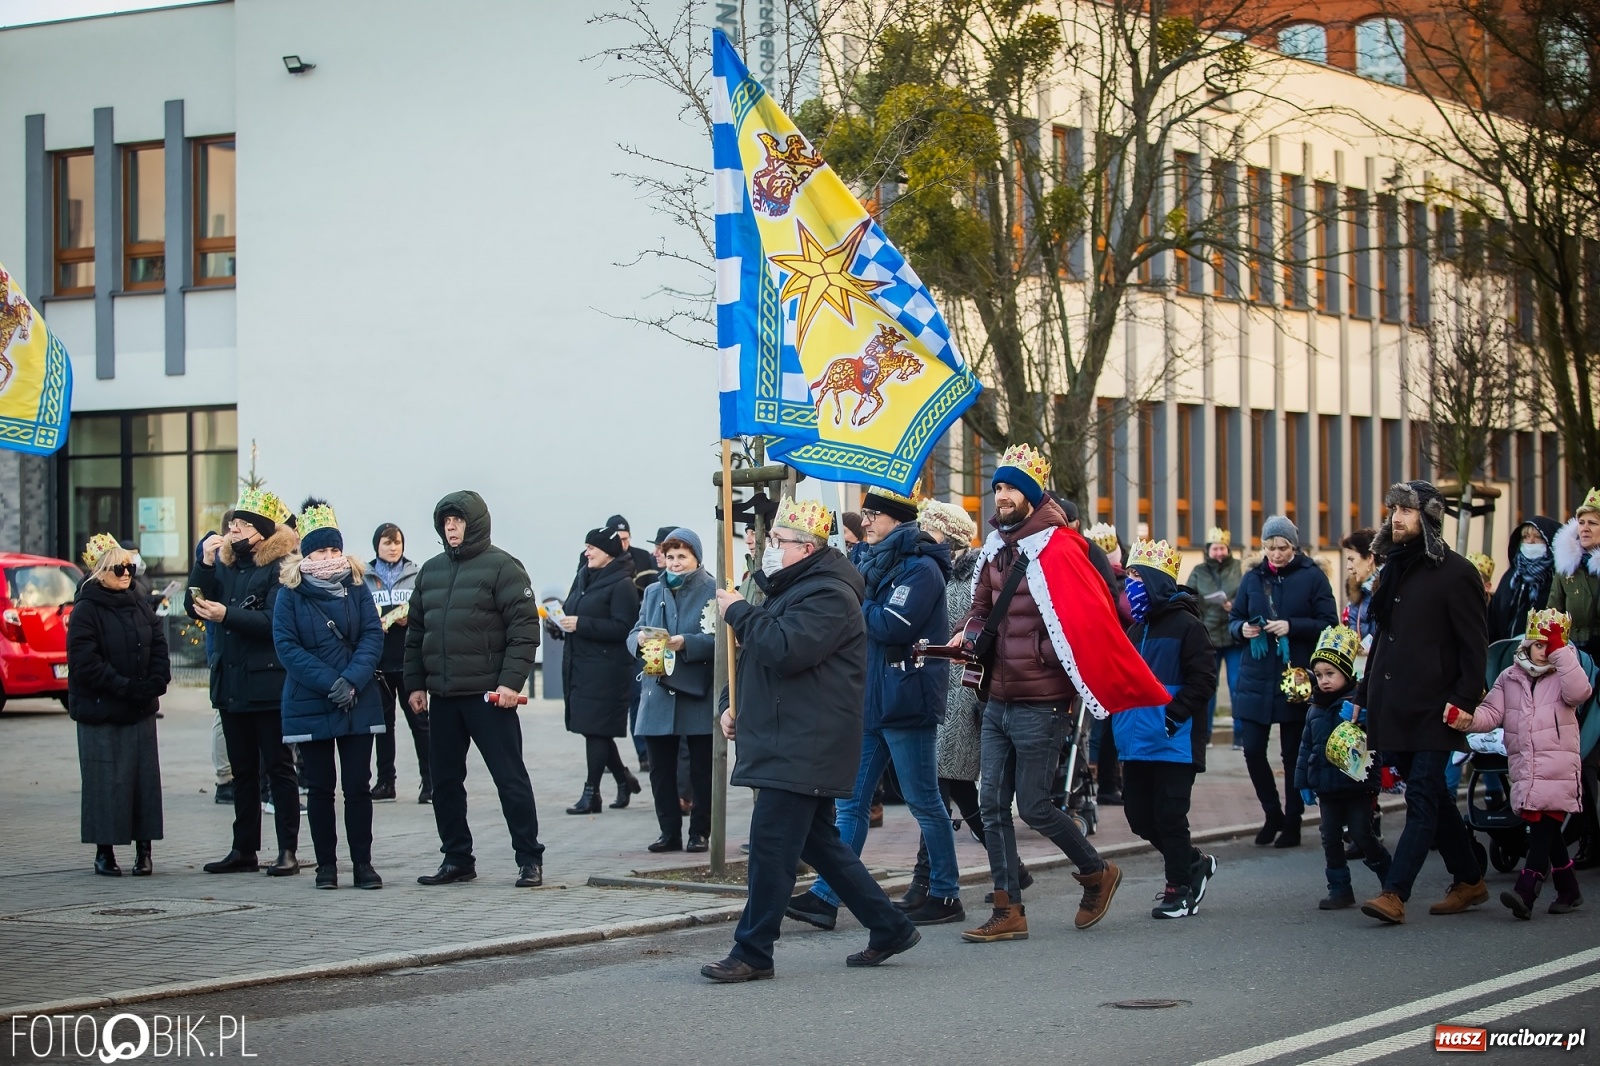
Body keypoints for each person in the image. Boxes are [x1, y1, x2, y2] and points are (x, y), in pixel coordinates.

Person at [700, 496, 921, 982]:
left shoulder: (829, 595)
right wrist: (731, 706)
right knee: (821, 845)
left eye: (779, 541)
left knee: (771, 849)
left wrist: (740, 612)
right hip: (789, 737)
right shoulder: (792, 588)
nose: (770, 548)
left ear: (806, 547)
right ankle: (889, 926)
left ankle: (753, 951)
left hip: (805, 743)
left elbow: (786, 648)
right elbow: (755, 661)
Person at [956, 445, 1169, 944]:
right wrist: (966, 636)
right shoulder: (994, 548)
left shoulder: (1062, 548)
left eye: (1011, 488)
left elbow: (1094, 617)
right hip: (996, 697)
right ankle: (1008, 909)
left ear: (1032, 494)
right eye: (998, 487)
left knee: (1033, 805)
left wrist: (1043, 652)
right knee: (991, 806)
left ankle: (1097, 872)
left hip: (1041, 700)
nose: (1002, 496)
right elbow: (980, 610)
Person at [787, 486, 965, 930]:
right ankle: (826, 897)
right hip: (869, 700)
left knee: (924, 802)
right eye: (864, 513)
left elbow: (890, 624)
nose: (864, 521)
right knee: (850, 806)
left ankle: (945, 893)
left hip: (906, 699)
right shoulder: (866, 561)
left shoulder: (922, 567)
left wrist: (852, 599)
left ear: (897, 519)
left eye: (872, 514)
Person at [1354, 481, 1490, 925]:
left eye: (1407, 511)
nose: (1396, 518)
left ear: (1428, 518)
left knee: (1422, 798)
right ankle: (1469, 879)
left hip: (1437, 707)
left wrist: (1465, 698)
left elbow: (1475, 645)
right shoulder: (1394, 566)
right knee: (1431, 794)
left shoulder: (1457, 573)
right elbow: (1383, 640)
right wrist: (1363, 694)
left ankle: (1394, 892)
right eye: (1393, 510)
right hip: (1396, 704)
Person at [406, 491, 545, 889]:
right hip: (443, 697)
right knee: (445, 782)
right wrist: (415, 685)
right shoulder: (430, 572)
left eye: (459, 521)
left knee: (509, 778)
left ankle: (529, 858)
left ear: (476, 523)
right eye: (446, 522)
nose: (451, 528)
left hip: (489, 697)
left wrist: (510, 682)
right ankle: (457, 859)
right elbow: (416, 633)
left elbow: (524, 629)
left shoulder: (503, 567)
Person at [899, 500, 1022, 909]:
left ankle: (925, 882)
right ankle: (1012, 868)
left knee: (937, 787)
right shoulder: (929, 570)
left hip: (965, 692)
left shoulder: (973, 576)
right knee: (959, 789)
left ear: (949, 536)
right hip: (938, 690)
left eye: (930, 529)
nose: (922, 535)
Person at [1445, 608, 1591, 918]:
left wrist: (1561, 652)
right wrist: (1467, 720)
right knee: (1545, 829)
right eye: (1538, 645)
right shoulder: (1509, 677)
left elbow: (1580, 692)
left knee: (1542, 828)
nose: (1543, 652)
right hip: (1526, 766)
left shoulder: (1565, 673)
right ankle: (1569, 889)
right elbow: (1492, 713)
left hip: (1557, 768)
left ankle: (1526, 891)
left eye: (1549, 646)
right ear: (1527, 645)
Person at [187, 489, 302, 876]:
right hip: (231, 683)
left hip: (267, 685)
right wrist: (203, 565)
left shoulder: (280, 567)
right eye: (233, 524)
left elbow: (273, 622)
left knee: (279, 769)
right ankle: (244, 849)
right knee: (243, 771)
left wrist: (227, 615)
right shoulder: (223, 563)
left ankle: (287, 850)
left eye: (241, 525)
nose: (232, 530)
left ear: (260, 531)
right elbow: (194, 604)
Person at [274, 501, 386, 890]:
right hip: (312, 700)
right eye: (321, 550)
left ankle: (363, 864)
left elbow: (372, 636)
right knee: (320, 788)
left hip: (358, 697)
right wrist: (330, 683)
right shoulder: (290, 593)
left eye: (334, 549)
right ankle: (326, 866)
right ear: (307, 553)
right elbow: (287, 647)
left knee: (358, 787)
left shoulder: (357, 586)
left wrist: (351, 680)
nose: (329, 556)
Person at [1116, 540, 1220, 919]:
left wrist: (1173, 715)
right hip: (1136, 742)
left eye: (1137, 576)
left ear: (1156, 581)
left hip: (1175, 742)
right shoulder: (1133, 630)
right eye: (1128, 576)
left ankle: (1180, 888)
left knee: (1170, 816)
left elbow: (1204, 680)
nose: (1130, 585)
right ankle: (1192, 862)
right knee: (1139, 817)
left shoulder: (1188, 626)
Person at [1228, 515, 1338, 849]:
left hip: (1296, 677)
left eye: (1282, 547)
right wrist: (1241, 629)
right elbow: (1234, 619)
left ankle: (1293, 821)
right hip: (1256, 675)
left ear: (1294, 546)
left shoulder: (1313, 577)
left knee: (1293, 755)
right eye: (1270, 547)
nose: (1276, 554)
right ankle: (1272, 813)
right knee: (1252, 750)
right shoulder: (1252, 578)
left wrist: (1292, 626)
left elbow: (1328, 623)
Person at [68, 534, 169, 877]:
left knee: (144, 781)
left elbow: (158, 643)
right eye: (118, 569)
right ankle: (104, 851)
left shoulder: (138, 602)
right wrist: (125, 687)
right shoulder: (86, 609)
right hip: (102, 711)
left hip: (139, 708)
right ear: (100, 572)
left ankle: (144, 851)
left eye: (130, 568)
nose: (127, 574)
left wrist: (157, 680)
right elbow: (85, 662)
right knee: (105, 781)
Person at [626, 527, 715, 851]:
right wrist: (637, 641)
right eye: (670, 556)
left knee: (701, 769)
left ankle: (700, 832)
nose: (675, 563)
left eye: (682, 556)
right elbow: (635, 630)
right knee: (660, 769)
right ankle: (669, 832)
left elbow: (721, 640)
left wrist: (686, 642)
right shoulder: (653, 591)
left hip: (697, 690)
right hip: (658, 688)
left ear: (696, 558)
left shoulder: (712, 589)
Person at [1294, 625, 1391, 910]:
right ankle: (1339, 888)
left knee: (1361, 833)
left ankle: (1390, 879)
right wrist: (1303, 782)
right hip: (1326, 785)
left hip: (1356, 783)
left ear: (1347, 673)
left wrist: (1365, 720)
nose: (1324, 681)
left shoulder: (1357, 704)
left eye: (1330, 674)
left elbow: (1376, 741)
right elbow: (1306, 747)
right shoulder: (1314, 708)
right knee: (1330, 837)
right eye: (1319, 675)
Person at [559, 527, 643, 814]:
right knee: (594, 730)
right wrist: (559, 623)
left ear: (607, 552)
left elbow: (624, 627)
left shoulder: (623, 585)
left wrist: (581, 624)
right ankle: (623, 780)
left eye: (591, 548)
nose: (587, 553)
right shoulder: (584, 575)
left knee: (596, 730)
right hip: (581, 665)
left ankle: (591, 793)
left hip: (608, 670)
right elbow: (572, 608)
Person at [364, 523, 428, 804]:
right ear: (376, 546)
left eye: (397, 543)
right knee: (383, 726)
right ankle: (385, 782)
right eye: (387, 543)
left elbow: (426, 611)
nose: (393, 548)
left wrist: (410, 618)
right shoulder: (364, 577)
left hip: (409, 661)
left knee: (420, 723)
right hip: (379, 664)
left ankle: (430, 783)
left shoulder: (416, 574)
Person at [1186, 527, 1243, 742]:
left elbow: (1249, 594)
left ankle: (1240, 736)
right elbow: (1189, 597)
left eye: (1222, 548)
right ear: (1208, 550)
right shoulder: (1199, 571)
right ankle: (1205, 735)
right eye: (1215, 549)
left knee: (1237, 686)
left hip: (1234, 637)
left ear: (1228, 549)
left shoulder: (1239, 568)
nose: (1219, 552)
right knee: (1208, 688)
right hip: (1208, 638)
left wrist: (1234, 604)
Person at [1487, 517, 1560, 642]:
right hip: (1507, 649)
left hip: (1544, 650)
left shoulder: (1557, 578)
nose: (1530, 542)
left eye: (1538, 537)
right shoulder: (1512, 576)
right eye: (1526, 537)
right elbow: (1493, 618)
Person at [1549, 489, 1600, 658]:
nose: (1585, 528)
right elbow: (1553, 614)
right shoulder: (1566, 567)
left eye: (1592, 523)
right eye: (1581, 522)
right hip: (1574, 655)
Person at [1339, 528, 1381, 647]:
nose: (1348, 567)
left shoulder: (1387, 589)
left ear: (1369, 559)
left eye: (1352, 559)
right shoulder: (1356, 594)